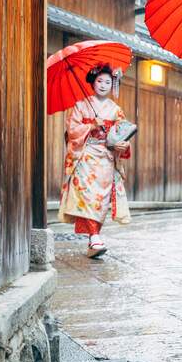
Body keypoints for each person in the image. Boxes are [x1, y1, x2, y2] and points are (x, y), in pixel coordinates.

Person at [58, 63, 132, 258]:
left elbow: (123, 134)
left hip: (106, 157)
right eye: (100, 81)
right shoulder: (81, 105)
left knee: (102, 199)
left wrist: (122, 145)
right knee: (88, 196)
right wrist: (91, 126)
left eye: (107, 82)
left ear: (112, 85)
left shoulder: (116, 110)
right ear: (92, 82)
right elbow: (72, 131)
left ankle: (94, 238)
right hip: (86, 155)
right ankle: (94, 237)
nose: (103, 85)